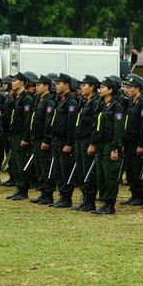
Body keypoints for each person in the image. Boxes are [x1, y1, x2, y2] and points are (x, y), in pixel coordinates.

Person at [90, 76, 125, 215]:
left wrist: (115, 148)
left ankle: (110, 204)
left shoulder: (117, 107)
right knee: (101, 175)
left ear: (110, 90)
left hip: (110, 145)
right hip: (101, 145)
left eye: (103, 87)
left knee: (110, 175)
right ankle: (104, 201)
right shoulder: (103, 105)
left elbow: (118, 130)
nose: (100, 90)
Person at [45, 73, 78, 208]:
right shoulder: (60, 100)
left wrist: (69, 143)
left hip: (65, 141)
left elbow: (71, 125)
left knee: (65, 170)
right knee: (58, 170)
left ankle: (66, 197)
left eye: (59, 84)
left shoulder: (70, 102)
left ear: (67, 85)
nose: (56, 86)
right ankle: (62, 196)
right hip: (57, 140)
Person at [72, 75, 101, 211]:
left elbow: (95, 125)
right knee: (82, 171)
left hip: (87, 140)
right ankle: (85, 198)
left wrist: (92, 143)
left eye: (84, 85)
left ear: (92, 87)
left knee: (89, 171)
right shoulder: (84, 102)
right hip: (79, 140)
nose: (81, 88)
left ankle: (90, 201)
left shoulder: (95, 102)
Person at [120, 74, 143, 207]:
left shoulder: (142, 104)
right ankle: (133, 194)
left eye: (130, 87)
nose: (127, 90)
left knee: (137, 169)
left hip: (137, 142)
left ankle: (139, 195)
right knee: (130, 170)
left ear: (137, 89)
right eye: (126, 87)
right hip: (129, 141)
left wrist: (141, 144)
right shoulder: (131, 103)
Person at [6, 72, 34, 200]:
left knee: (22, 163)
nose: (12, 82)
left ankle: (23, 190)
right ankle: (19, 187)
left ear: (22, 83)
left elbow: (28, 120)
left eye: (15, 80)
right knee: (16, 163)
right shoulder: (16, 98)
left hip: (21, 134)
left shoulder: (26, 98)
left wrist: (25, 137)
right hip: (15, 133)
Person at [30, 75, 56, 205]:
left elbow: (48, 122)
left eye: (39, 85)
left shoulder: (49, 102)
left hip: (43, 139)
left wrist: (47, 139)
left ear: (46, 87)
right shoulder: (39, 100)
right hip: (37, 138)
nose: (36, 87)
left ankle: (48, 193)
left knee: (45, 167)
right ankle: (43, 192)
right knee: (39, 167)